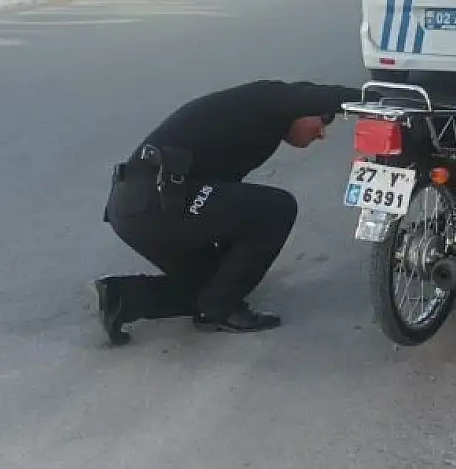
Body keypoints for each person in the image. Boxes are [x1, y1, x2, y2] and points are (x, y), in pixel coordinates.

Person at [93, 80, 361, 346]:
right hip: (155, 203)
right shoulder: (269, 99)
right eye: (322, 121)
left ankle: (121, 300)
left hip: (137, 207)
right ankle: (219, 310)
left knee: (217, 282)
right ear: (302, 107)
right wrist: (378, 98)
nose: (322, 133)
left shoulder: (261, 129)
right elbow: (316, 95)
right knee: (277, 209)